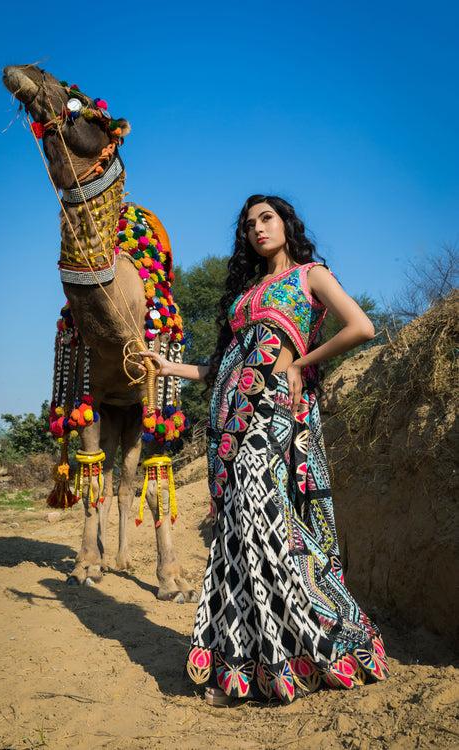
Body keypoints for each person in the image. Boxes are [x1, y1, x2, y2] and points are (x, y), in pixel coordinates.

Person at [140, 194, 389, 707]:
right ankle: (245, 666)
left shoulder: (310, 275)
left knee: (260, 521)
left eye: (267, 218)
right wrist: (168, 369)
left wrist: (300, 364)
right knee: (235, 530)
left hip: (276, 413)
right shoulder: (247, 293)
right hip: (228, 424)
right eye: (249, 224)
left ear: (286, 223)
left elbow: (361, 327)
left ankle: (314, 645)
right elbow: (219, 367)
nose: (257, 228)